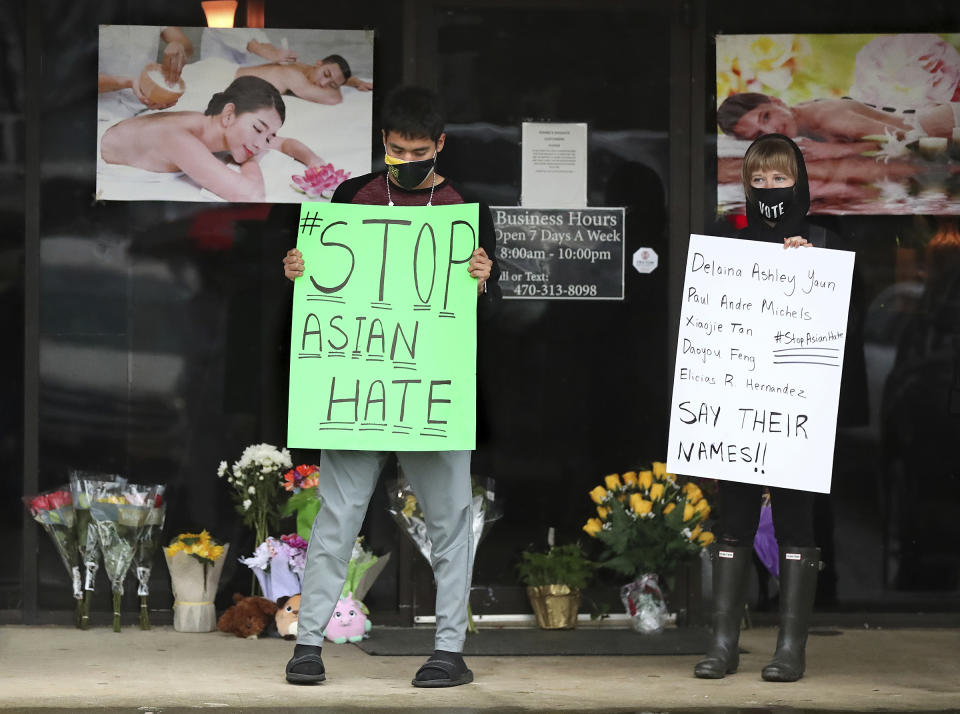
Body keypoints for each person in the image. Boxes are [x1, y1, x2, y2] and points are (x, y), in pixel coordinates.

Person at [281, 85, 499, 688]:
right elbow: (318, 281)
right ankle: (307, 646)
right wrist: (298, 270)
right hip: (359, 387)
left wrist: (485, 279)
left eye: (419, 150)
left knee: (450, 519)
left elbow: (492, 317)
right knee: (336, 517)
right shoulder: (351, 198)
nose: (407, 159)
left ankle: (450, 651)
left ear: (440, 146)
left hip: (431, 391)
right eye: (398, 150)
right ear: (383, 144)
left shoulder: (464, 210)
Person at [694, 133, 829, 683]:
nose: (770, 188)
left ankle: (790, 650)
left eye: (780, 177)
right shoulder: (725, 235)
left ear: (798, 180)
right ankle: (723, 645)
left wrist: (813, 267)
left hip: (797, 410)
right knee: (735, 519)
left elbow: (842, 326)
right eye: (759, 179)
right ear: (746, 184)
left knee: (797, 519)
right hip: (738, 404)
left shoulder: (824, 241)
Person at [99, 76, 325, 202]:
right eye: (258, 128)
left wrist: (315, 162)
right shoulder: (179, 137)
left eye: (268, 135)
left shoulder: (214, 126)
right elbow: (250, 195)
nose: (260, 144)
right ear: (228, 114)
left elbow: (285, 143)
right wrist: (250, 160)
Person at [717, 91, 960, 143]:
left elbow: (903, 142)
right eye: (759, 135)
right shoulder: (801, 117)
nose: (771, 132)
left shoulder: (829, 119)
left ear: (777, 101)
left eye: (766, 117)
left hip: (949, 124)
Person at [98, 26, 193, 116]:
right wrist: (127, 82)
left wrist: (179, 45)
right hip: (101, 110)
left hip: (147, 107)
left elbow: (186, 45)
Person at [238, 54, 372, 105]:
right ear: (318, 63)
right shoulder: (294, 76)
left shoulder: (305, 69)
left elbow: (334, 77)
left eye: (332, 84)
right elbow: (335, 98)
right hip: (226, 78)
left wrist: (357, 82)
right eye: (325, 74)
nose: (322, 84)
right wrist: (336, 86)